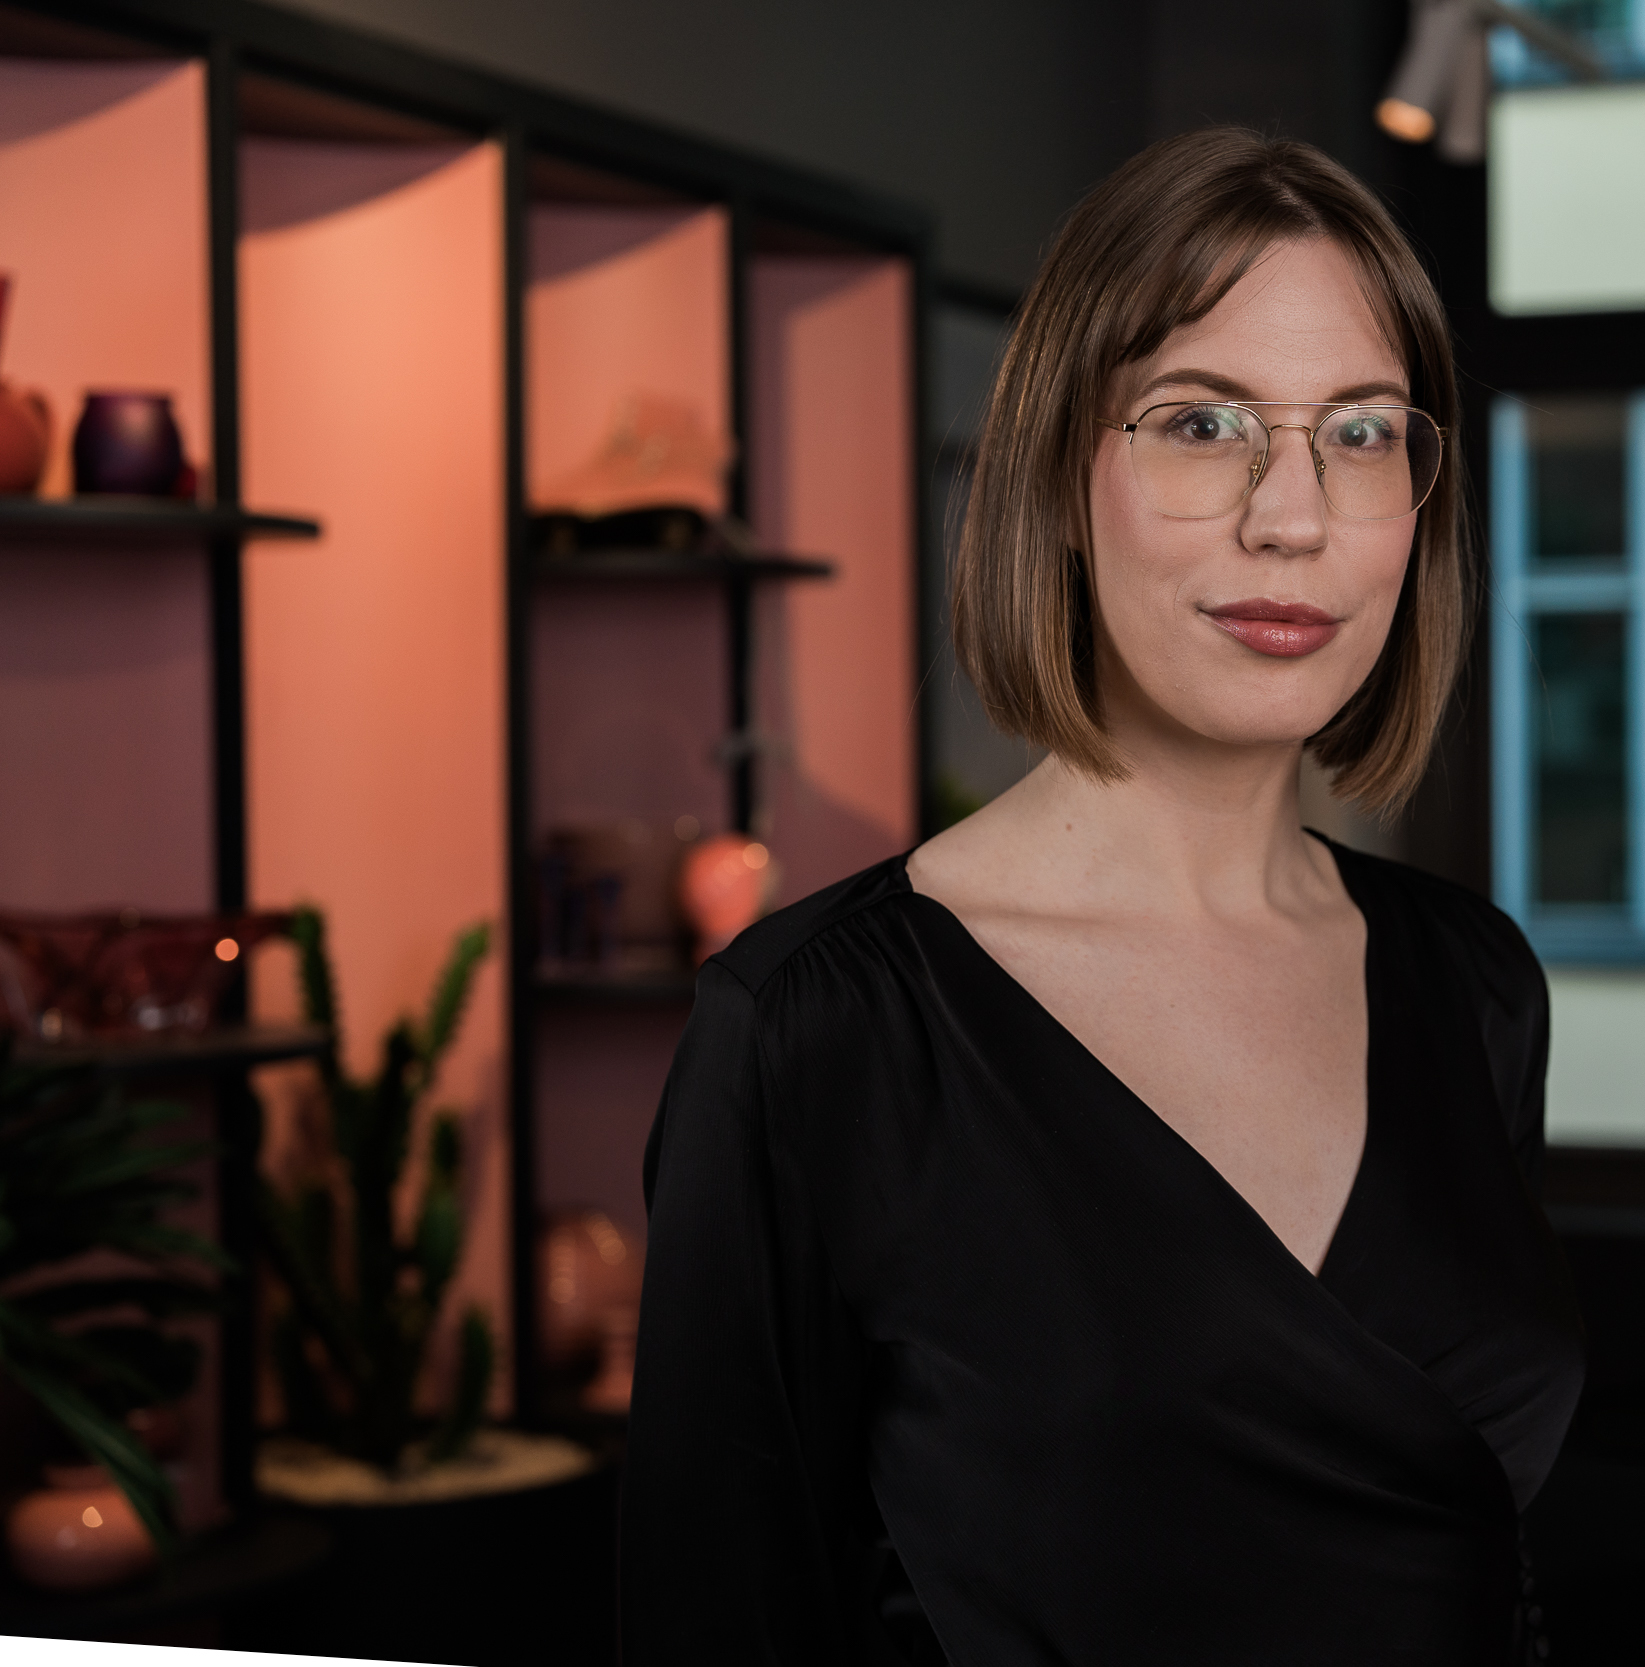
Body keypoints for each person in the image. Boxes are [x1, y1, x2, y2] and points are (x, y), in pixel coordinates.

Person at [623, 127, 1582, 1665]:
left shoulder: (1472, 982)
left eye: (1362, 431)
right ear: (1063, 480)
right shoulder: (818, 1029)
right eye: (1201, 425)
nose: (1295, 516)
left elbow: (1486, 1574)